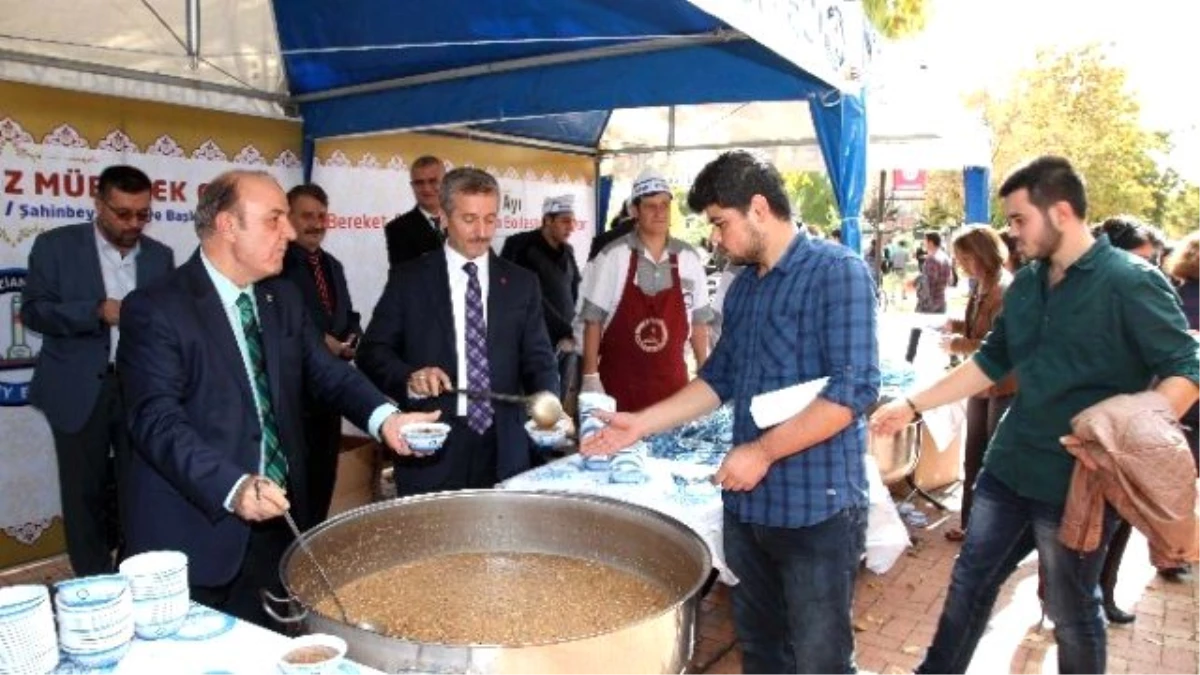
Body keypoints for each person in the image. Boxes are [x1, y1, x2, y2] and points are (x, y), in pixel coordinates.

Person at [871, 156, 1200, 674]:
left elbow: (1185, 366)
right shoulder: (1025, 285)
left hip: (1079, 485)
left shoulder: (1131, 281)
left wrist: (1133, 424)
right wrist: (911, 405)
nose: (1011, 231)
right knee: (968, 586)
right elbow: (989, 362)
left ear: (1062, 212)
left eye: (1020, 219)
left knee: (1071, 612)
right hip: (1008, 468)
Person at [583, 150, 879, 675]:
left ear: (759, 208)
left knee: (820, 659)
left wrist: (762, 452)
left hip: (816, 509)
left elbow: (854, 392)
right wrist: (640, 423)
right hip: (747, 510)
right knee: (762, 651)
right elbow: (718, 379)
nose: (716, 239)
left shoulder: (838, 273)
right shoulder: (744, 288)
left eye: (721, 223)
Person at [117, 170, 437, 626]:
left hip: (278, 523)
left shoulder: (280, 297)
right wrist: (232, 486)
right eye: (274, 219)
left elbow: (327, 373)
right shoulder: (156, 308)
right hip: (199, 529)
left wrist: (386, 419)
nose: (288, 231)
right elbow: (156, 420)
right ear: (228, 225)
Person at [357, 168, 560, 497]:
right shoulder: (410, 280)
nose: (482, 232)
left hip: (505, 448)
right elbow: (372, 351)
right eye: (469, 219)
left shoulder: (522, 284)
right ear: (444, 216)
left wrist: (548, 401)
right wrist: (409, 377)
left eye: (490, 219)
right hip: (433, 446)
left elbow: (539, 359)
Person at [21, 164, 175, 576]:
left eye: (143, 214)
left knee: (139, 489)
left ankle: (132, 573)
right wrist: (95, 312)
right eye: (123, 213)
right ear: (99, 204)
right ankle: (94, 583)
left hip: (139, 390)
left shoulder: (161, 257)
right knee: (83, 493)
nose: (133, 224)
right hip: (76, 389)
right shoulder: (55, 247)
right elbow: (34, 312)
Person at [578, 168, 713, 411]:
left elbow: (699, 323)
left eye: (664, 205)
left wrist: (705, 373)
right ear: (634, 211)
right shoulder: (613, 256)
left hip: (673, 392)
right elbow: (593, 321)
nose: (660, 212)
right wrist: (590, 376)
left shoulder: (688, 258)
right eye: (651, 206)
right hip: (619, 389)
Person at [278, 183, 362, 526]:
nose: (315, 224)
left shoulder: (333, 265)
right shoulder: (276, 266)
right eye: (306, 216)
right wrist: (318, 341)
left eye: (321, 216)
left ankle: (313, 551)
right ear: (288, 218)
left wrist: (354, 337)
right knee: (294, 490)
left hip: (330, 397)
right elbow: (281, 324)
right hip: (292, 399)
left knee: (323, 482)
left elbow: (347, 314)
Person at [936, 226, 1016, 544]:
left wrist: (958, 343)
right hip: (981, 385)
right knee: (973, 458)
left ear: (982, 253)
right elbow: (979, 327)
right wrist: (954, 325)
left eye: (964, 257)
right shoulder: (984, 284)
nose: (961, 264)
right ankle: (971, 525)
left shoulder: (1005, 289)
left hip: (1002, 386)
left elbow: (998, 344)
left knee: (991, 462)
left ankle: (989, 531)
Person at [499, 194, 581, 353]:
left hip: (566, 344)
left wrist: (579, 327)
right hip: (532, 343)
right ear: (548, 220)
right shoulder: (520, 247)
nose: (571, 227)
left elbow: (577, 289)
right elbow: (526, 297)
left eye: (573, 221)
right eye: (565, 221)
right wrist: (565, 330)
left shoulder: (568, 251)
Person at [384, 155, 445, 267]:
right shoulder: (398, 229)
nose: (426, 188)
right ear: (412, 186)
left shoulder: (461, 223)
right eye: (419, 183)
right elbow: (406, 277)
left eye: (433, 181)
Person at [915, 231, 953, 314]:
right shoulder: (945, 258)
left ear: (931, 242)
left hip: (929, 305)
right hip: (941, 301)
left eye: (924, 240)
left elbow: (928, 284)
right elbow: (950, 280)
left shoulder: (932, 259)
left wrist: (914, 283)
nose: (923, 243)